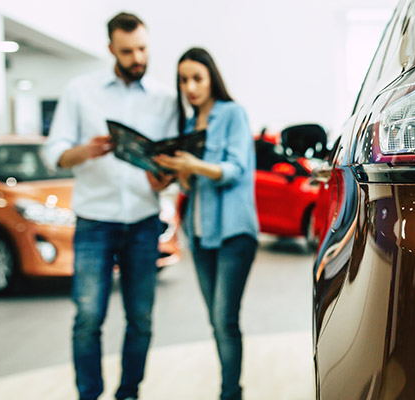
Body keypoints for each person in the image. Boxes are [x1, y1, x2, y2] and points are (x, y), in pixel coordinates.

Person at [40, 12, 177, 400]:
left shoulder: (165, 98)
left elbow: (171, 162)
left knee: (142, 319)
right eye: (128, 51)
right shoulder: (80, 91)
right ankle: (89, 394)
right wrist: (83, 151)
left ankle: (129, 392)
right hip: (93, 222)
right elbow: (53, 153)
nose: (137, 58)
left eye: (142, 49)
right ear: (110, 50)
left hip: (143, 221)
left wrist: (164, 177)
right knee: (87, 318)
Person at [154, 47, 258, 400]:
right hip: (199, 235)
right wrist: (174, 173)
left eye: (197, 78)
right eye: (183, 80)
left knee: (224, 319)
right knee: (216, 321)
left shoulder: (233, 114)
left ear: (212, 77)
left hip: (234, 233)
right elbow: (190, 184)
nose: (190, 87)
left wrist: (193, 165)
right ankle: (230, 389)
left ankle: (231, 393)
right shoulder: (187, 125)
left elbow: (235, 170)